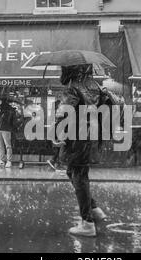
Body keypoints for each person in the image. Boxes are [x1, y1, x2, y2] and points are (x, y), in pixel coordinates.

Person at [56, 64, 119, 237]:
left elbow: (64, 113)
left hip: (77, 137)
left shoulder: (73, 87)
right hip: (91, 135)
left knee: (78, 174)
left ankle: (87, 223)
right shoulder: (93, 85)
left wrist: (57, 132)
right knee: (75, 172)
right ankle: (94, 209)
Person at [0, 98, 17, 168]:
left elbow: (12, 120)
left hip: (5, 129)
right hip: (0, 129)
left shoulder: (8, 110)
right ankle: (3, 160)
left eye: (0, 101)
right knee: (1, 145)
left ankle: (8, 161)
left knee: (6, 146)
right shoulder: (2, 110)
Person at [47, 99, 64, 171]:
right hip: (57, 134)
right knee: (59, 149)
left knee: (58, 149)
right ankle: (55, 162)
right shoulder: (59, 114)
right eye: (61, 104)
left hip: (56, 134)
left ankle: (55, 162)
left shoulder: (57, 115)